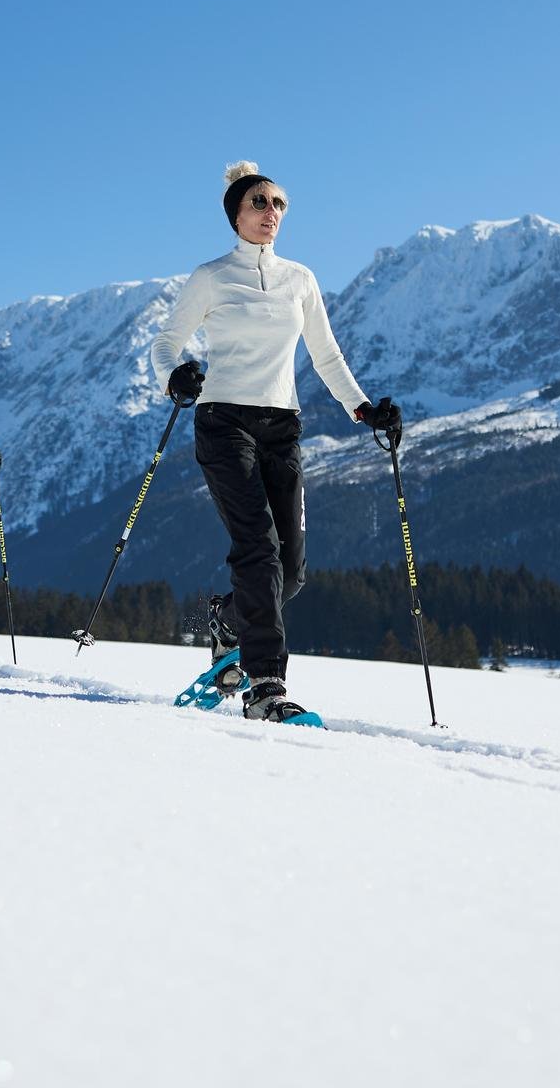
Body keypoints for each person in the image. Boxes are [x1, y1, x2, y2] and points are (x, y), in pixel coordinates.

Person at [148, 161, 400, 721]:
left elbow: (326, 354)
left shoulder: (300, 279)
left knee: (292, 570)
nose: (271, 213)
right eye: (260, 203)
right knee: (258, 548)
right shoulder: (211, 277)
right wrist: (176, 377)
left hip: (282, 426)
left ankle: (227, 619)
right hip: (223, 422)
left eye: (279, 205)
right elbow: (165, 344)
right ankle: (266, 687)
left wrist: (364, 409)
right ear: (235, 213)